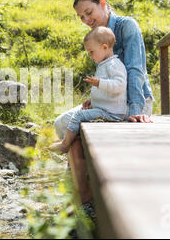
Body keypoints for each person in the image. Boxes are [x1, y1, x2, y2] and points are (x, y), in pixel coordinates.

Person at [53, 0, 154, 219]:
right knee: (61, 124)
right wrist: (95, 98)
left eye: (89, 12)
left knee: (76, 129)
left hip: (134, 101)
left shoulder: (127, 26)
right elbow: (107, 78)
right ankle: (84, 186)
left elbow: (135, 70)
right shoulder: (97, 35)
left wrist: (136, 111)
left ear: (103, 3)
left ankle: (83, 193)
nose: (86, 20)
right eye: (81, 17)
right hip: (109, 102)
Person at [50, 26, 127, 154]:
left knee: (79, 115)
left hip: (111, 113)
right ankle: (70, 142)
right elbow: (105, 92)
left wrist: (99, 83)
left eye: (91, 52)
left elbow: (119, 85)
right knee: (81, 113)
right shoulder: (104, 64)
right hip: (104, 109)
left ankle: (65, 144)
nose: (90, 56)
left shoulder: (114, 65)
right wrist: (92, 101)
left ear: (104, 47)